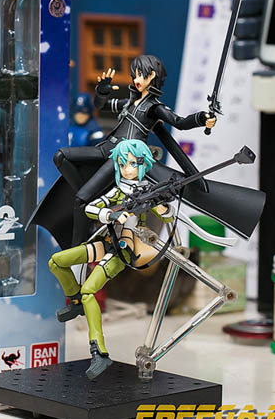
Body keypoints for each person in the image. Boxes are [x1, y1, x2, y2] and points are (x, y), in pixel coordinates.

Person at [43, 54, 215, 249]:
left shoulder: (154, 108)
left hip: (122, 157)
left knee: (80, 199)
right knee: (61, 156)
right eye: (135, 75)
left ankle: (77, 248)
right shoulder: (129, 102)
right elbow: (100, 106)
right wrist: (102, 91)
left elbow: (179, 122)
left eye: (142, 75)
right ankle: (94, 200)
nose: (137, 80)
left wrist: (202, 118)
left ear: (153, 76)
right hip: (106, 148)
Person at [47, 139, 175, 380]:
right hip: (105, 241)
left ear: (144, 164)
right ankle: (76, 302)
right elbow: (90, 208)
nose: (128, 169)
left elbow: (167, 217)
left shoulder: (148, 191)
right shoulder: (118, 190)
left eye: (134, 164)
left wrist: (161, 206)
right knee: (57, 261)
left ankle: (99, 353)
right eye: (123, 164)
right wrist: (111, 214)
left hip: (123, 250)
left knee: (89, 291)